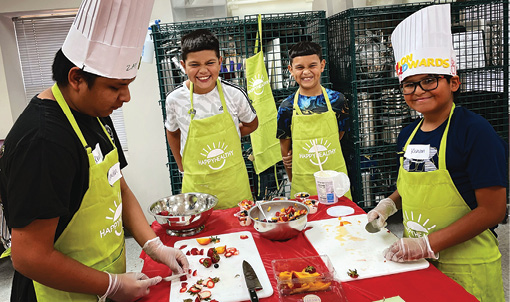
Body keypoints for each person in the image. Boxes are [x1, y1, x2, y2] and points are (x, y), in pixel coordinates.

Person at [0, 0, 189, 301]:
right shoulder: (43, 142)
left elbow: (119, 188)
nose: (125, 97)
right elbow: (29, 256)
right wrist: (111, 285)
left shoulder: (96, 115)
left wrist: (154, 246)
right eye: (116, 87)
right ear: (76, 78)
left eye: (128, 85)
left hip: (102, 282)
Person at [366, 5, 506, 301]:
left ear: (453, 82)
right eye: (409, 84)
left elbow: (493, 210)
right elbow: (411, 185)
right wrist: (387, 205)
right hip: (417, 263)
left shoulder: (474, 132)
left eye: (429, 80)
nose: (418, 90)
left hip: (467, 267)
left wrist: (429, 243)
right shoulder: (408, 134)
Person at [165, 29, 258, 209]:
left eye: (210, 63)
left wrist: (233, 131)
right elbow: (173, 133)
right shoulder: (175, 100)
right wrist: (181, 166)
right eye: (194, 65)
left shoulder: (234, 94)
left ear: (220, 62)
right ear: (184, 66)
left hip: (234, 187)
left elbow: (252, 123)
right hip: (197, 188)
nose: (203, 71)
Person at [277, 41, 351, 200]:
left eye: (312, 65)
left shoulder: (338, 101)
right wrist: (293, 177)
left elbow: (338, 135)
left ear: (322, 65)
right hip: (304, 183)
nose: (306, 72)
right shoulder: (286, 107)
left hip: (335, 180)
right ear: (290, 69)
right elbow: (286, 152)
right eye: (300, 67)